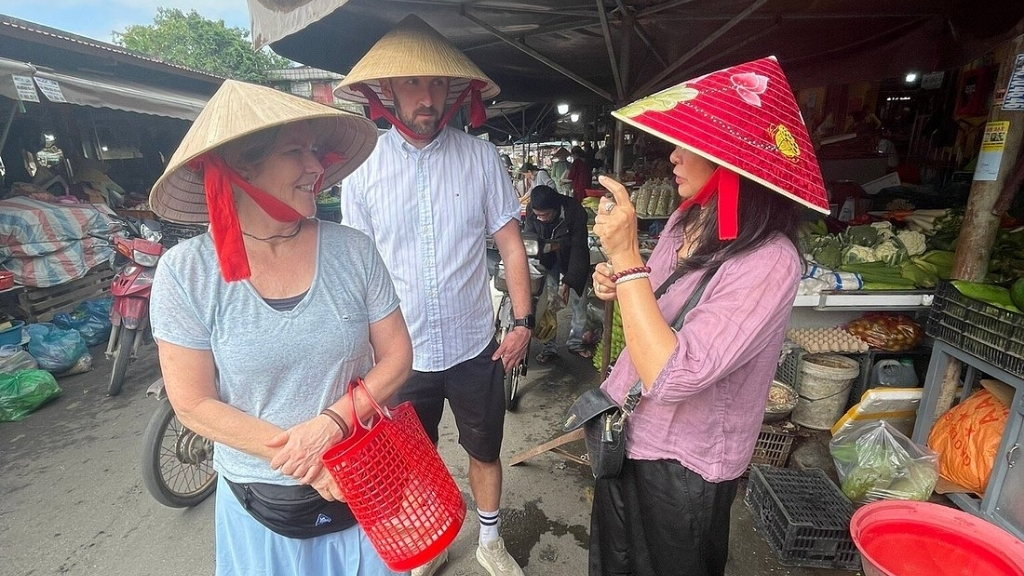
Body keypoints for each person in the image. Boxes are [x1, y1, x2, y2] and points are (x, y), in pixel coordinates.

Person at [148, 80, 413, 576]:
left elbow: (397, 357)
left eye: (314, 151)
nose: (316, 167)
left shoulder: (353, 251)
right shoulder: (188, 273)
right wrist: (310, 461)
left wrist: (330, 425)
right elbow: (193, 403)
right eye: (295, 152)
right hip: (260, 504)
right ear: (241, 167)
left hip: (362, 481)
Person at [588, 57, 831, 576]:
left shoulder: (769, 261)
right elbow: (653, 298)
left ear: (733, 161)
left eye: (689, 144)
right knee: (613, 564)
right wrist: (621, 281)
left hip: (684, 464)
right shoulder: (686, 219)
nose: (673, 155)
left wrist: (627, 260)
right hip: (628, 431)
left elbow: (673, 374)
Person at [334, 14, 530, 576]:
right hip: (401, 352)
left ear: (453, 92)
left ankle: (489, 540)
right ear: (388, 90)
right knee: (411, 458)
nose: (427, 97)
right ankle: (435, 537)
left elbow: (510, 245)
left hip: (473, 344)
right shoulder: (363, 170)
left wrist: (523, 321)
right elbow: (355, 266)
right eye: (414, 83)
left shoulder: (481, 158)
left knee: (484, 449)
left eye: (438, 83)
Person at [522, 185, 592, 362]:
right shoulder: (532, 210)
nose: (541, 218)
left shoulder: (574, 211)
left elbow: (578, 247)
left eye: (545, 215)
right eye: (538, 215)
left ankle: (576, 342)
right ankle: (549, 346)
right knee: (547, 301)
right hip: (546, 258)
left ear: (555, 208)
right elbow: (530, 238)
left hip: (572, 255)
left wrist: (568, 281)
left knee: (578, 299)